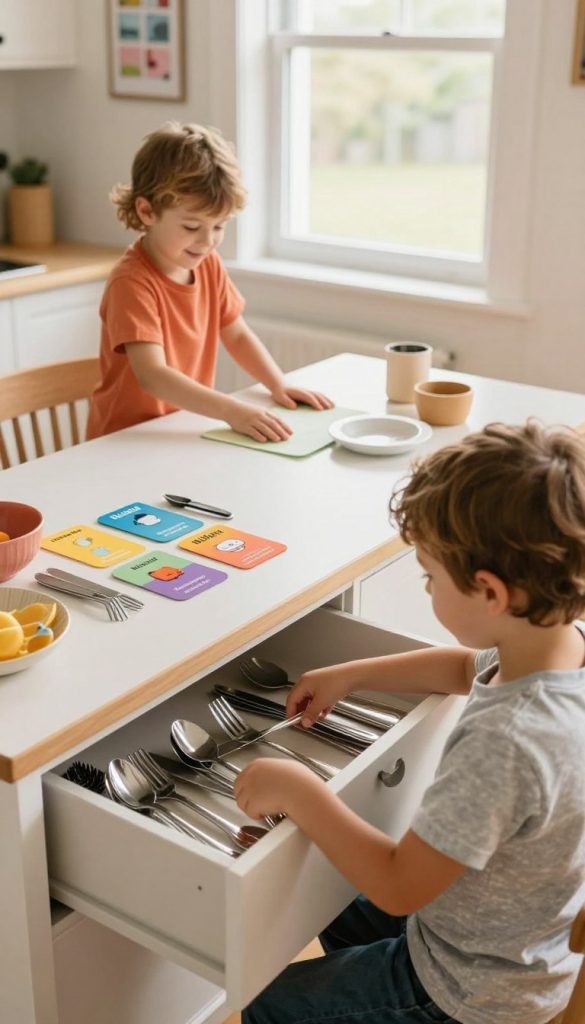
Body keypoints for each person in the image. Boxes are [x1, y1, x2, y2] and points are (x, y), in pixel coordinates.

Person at [235, 420, 585, 1024]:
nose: (425, 588)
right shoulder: (557, 648)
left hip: (462, 989)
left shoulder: (507, 741)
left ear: (490, 592)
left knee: (265, 1008)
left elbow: (398, 886)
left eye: (428, 576)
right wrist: (352, 673)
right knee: (326, 886)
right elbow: (461, 667)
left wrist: (299, 790)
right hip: (505, 939)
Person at [86, 122, 332, 441]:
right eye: (191, 227)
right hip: (125, 440)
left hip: (179, 427)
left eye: (219, 226)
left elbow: (237, 334)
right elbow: (153, 376)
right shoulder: (131, 282)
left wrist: (277, 383)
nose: (207, 241)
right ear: (146, 211)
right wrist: (232, 410)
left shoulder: (207, 265)